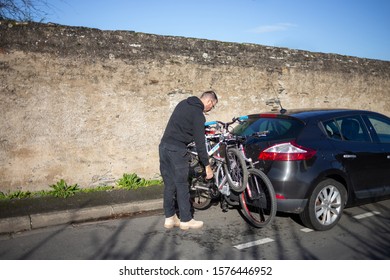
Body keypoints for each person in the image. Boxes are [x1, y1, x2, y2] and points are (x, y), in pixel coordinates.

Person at [159, 90, 218, 230]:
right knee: (182, 184)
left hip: (163, 147)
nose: (211, 108)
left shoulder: (183, 103)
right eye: (213, 106)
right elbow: (200, 144)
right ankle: (186, 220)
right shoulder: (198, 115)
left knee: (169, 185)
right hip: (177, 150)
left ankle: (170, 218)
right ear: (209, 102)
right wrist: (207, 165)